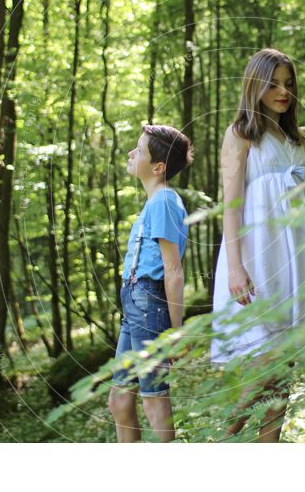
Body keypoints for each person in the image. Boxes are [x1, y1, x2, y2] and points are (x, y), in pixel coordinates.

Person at [211, 48, 305, 442]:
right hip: (258, 256)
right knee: (267, 363)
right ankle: (221, 441)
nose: (282, 91)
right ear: (255, 85)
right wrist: (235, 267)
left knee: (285, 367)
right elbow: (231, 203)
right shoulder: (241, 135)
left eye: (288, 84)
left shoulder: (295, 139)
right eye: (273, 83)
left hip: (295, 256)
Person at [107, 124, 193, 442]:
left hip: (149, 302)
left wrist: (175, 331)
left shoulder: (165, 201)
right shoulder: (154, 202)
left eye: (139, 150)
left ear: (158, 167)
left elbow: (173, 270)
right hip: (135, 304)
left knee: (153, 399)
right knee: (119, 400)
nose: (131, 153)